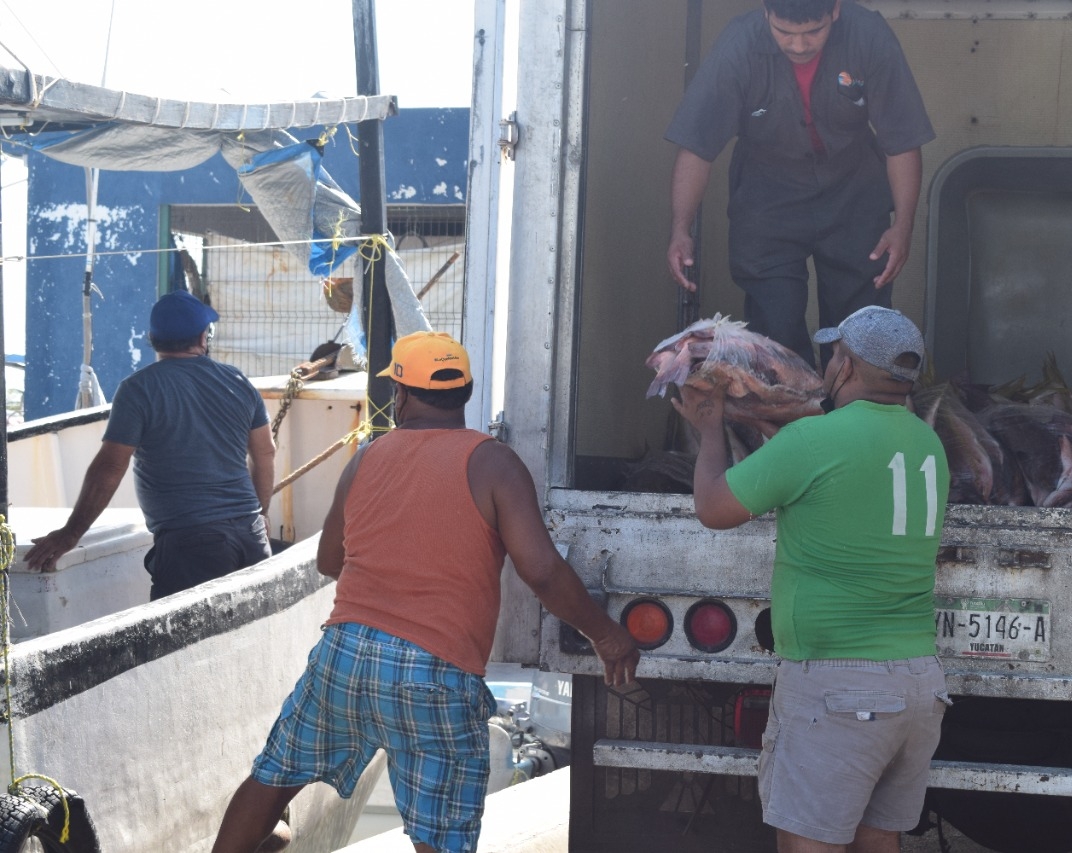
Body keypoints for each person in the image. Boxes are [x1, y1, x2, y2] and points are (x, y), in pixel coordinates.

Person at [211, 331, 640, 853]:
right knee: (440, 835)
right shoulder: (493, 462)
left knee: (274, 776)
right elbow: (543, 572)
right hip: (435, 670)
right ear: (465, 393)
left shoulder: (367, 458)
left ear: (402, 393)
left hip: (345, 655)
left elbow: (329, 561)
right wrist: (605, 635)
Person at [672, 306, 950, 853]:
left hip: (839, 686)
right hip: (918, 683)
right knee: (878, 840)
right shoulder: (927, 446)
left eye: (834, 354)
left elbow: (714, 507)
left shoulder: (814, 442)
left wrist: (710, 430)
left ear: (845, 367)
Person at [665, 0, 934, 369]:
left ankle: (851, 422)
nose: (799, 45)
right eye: (784, 32)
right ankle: (793, 423)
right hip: (767, 197)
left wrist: (903, 226)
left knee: (859, 330)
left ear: (835, 10)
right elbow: (697, 145)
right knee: (774, 328)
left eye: (813, 31)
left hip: (853, 193)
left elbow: (901, 140)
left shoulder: (869, 36)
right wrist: (681, 228)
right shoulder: (737, 45)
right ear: (766, 12)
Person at [24, 290, 275, 600]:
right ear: (202, 335)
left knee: (181, 644)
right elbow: (265, 454)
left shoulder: (138, 389)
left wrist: (70, 534)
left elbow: (111, 467)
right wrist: (261, 514)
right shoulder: (238, 381)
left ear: (152, 337)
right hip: (251, 535)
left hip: (191, 543)